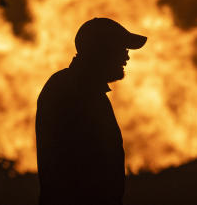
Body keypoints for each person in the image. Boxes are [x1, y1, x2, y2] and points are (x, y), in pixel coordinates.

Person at [35, 18, 147, 205]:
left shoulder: (80, 89)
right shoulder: (76, 91)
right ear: (103, 51)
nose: (126, 57)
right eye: (123, 49)